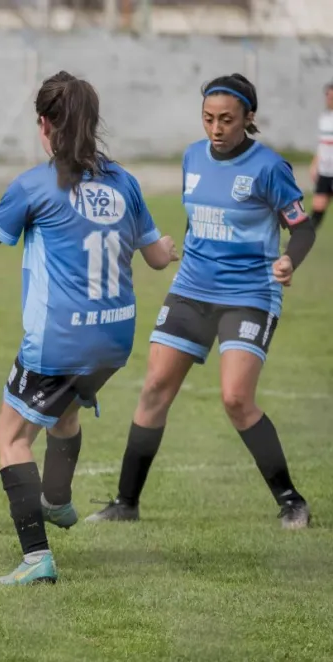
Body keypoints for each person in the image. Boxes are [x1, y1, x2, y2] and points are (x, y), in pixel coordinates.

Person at [0, 71, 178, 586]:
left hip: (61, 340)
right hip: (114, 341)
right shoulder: (125, 182)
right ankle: (57, 498)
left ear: (44, 124)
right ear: (93, 125)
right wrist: (174, 248)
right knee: (63, 415)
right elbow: (159, 256)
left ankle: (36, 557)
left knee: (10, 437)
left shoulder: (35, 184)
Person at [87, 73, 317, 530]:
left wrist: (290, 260)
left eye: (227, 119)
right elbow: (201, 223)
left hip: (249, 295)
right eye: (209, 118)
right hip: (192, 289)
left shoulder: (270, 168)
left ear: (249, 118)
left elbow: (303, 228)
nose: (216, 128)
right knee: (154, 388)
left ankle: (292, 501)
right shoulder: (192, 157)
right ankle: (125, 503)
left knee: (235, 398)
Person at [307, 81, 333, 230]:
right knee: (317, 208)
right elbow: (322, 146)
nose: (330, 99)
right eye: (328, 96)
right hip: (325, 171)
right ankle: (302, 241)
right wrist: (314, 165)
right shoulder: (324, 118)